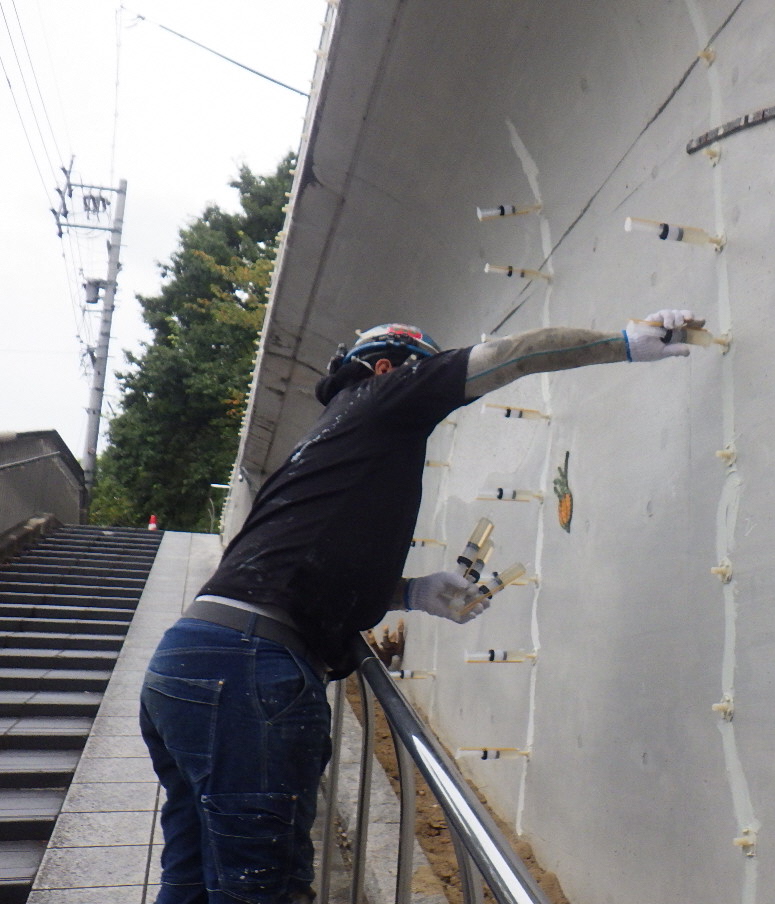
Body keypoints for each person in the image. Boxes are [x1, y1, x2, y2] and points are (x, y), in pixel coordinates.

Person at [139, 309, 700, 903]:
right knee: (260, 890)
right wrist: (619, 343)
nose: (435, 380)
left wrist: (412, 593)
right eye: (424, 368)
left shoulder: (327, 443)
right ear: (386, 367)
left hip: (188, 663)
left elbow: (295, 569)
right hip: (247, 673)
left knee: (192, 876)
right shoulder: (382, 398)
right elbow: (513, 354)